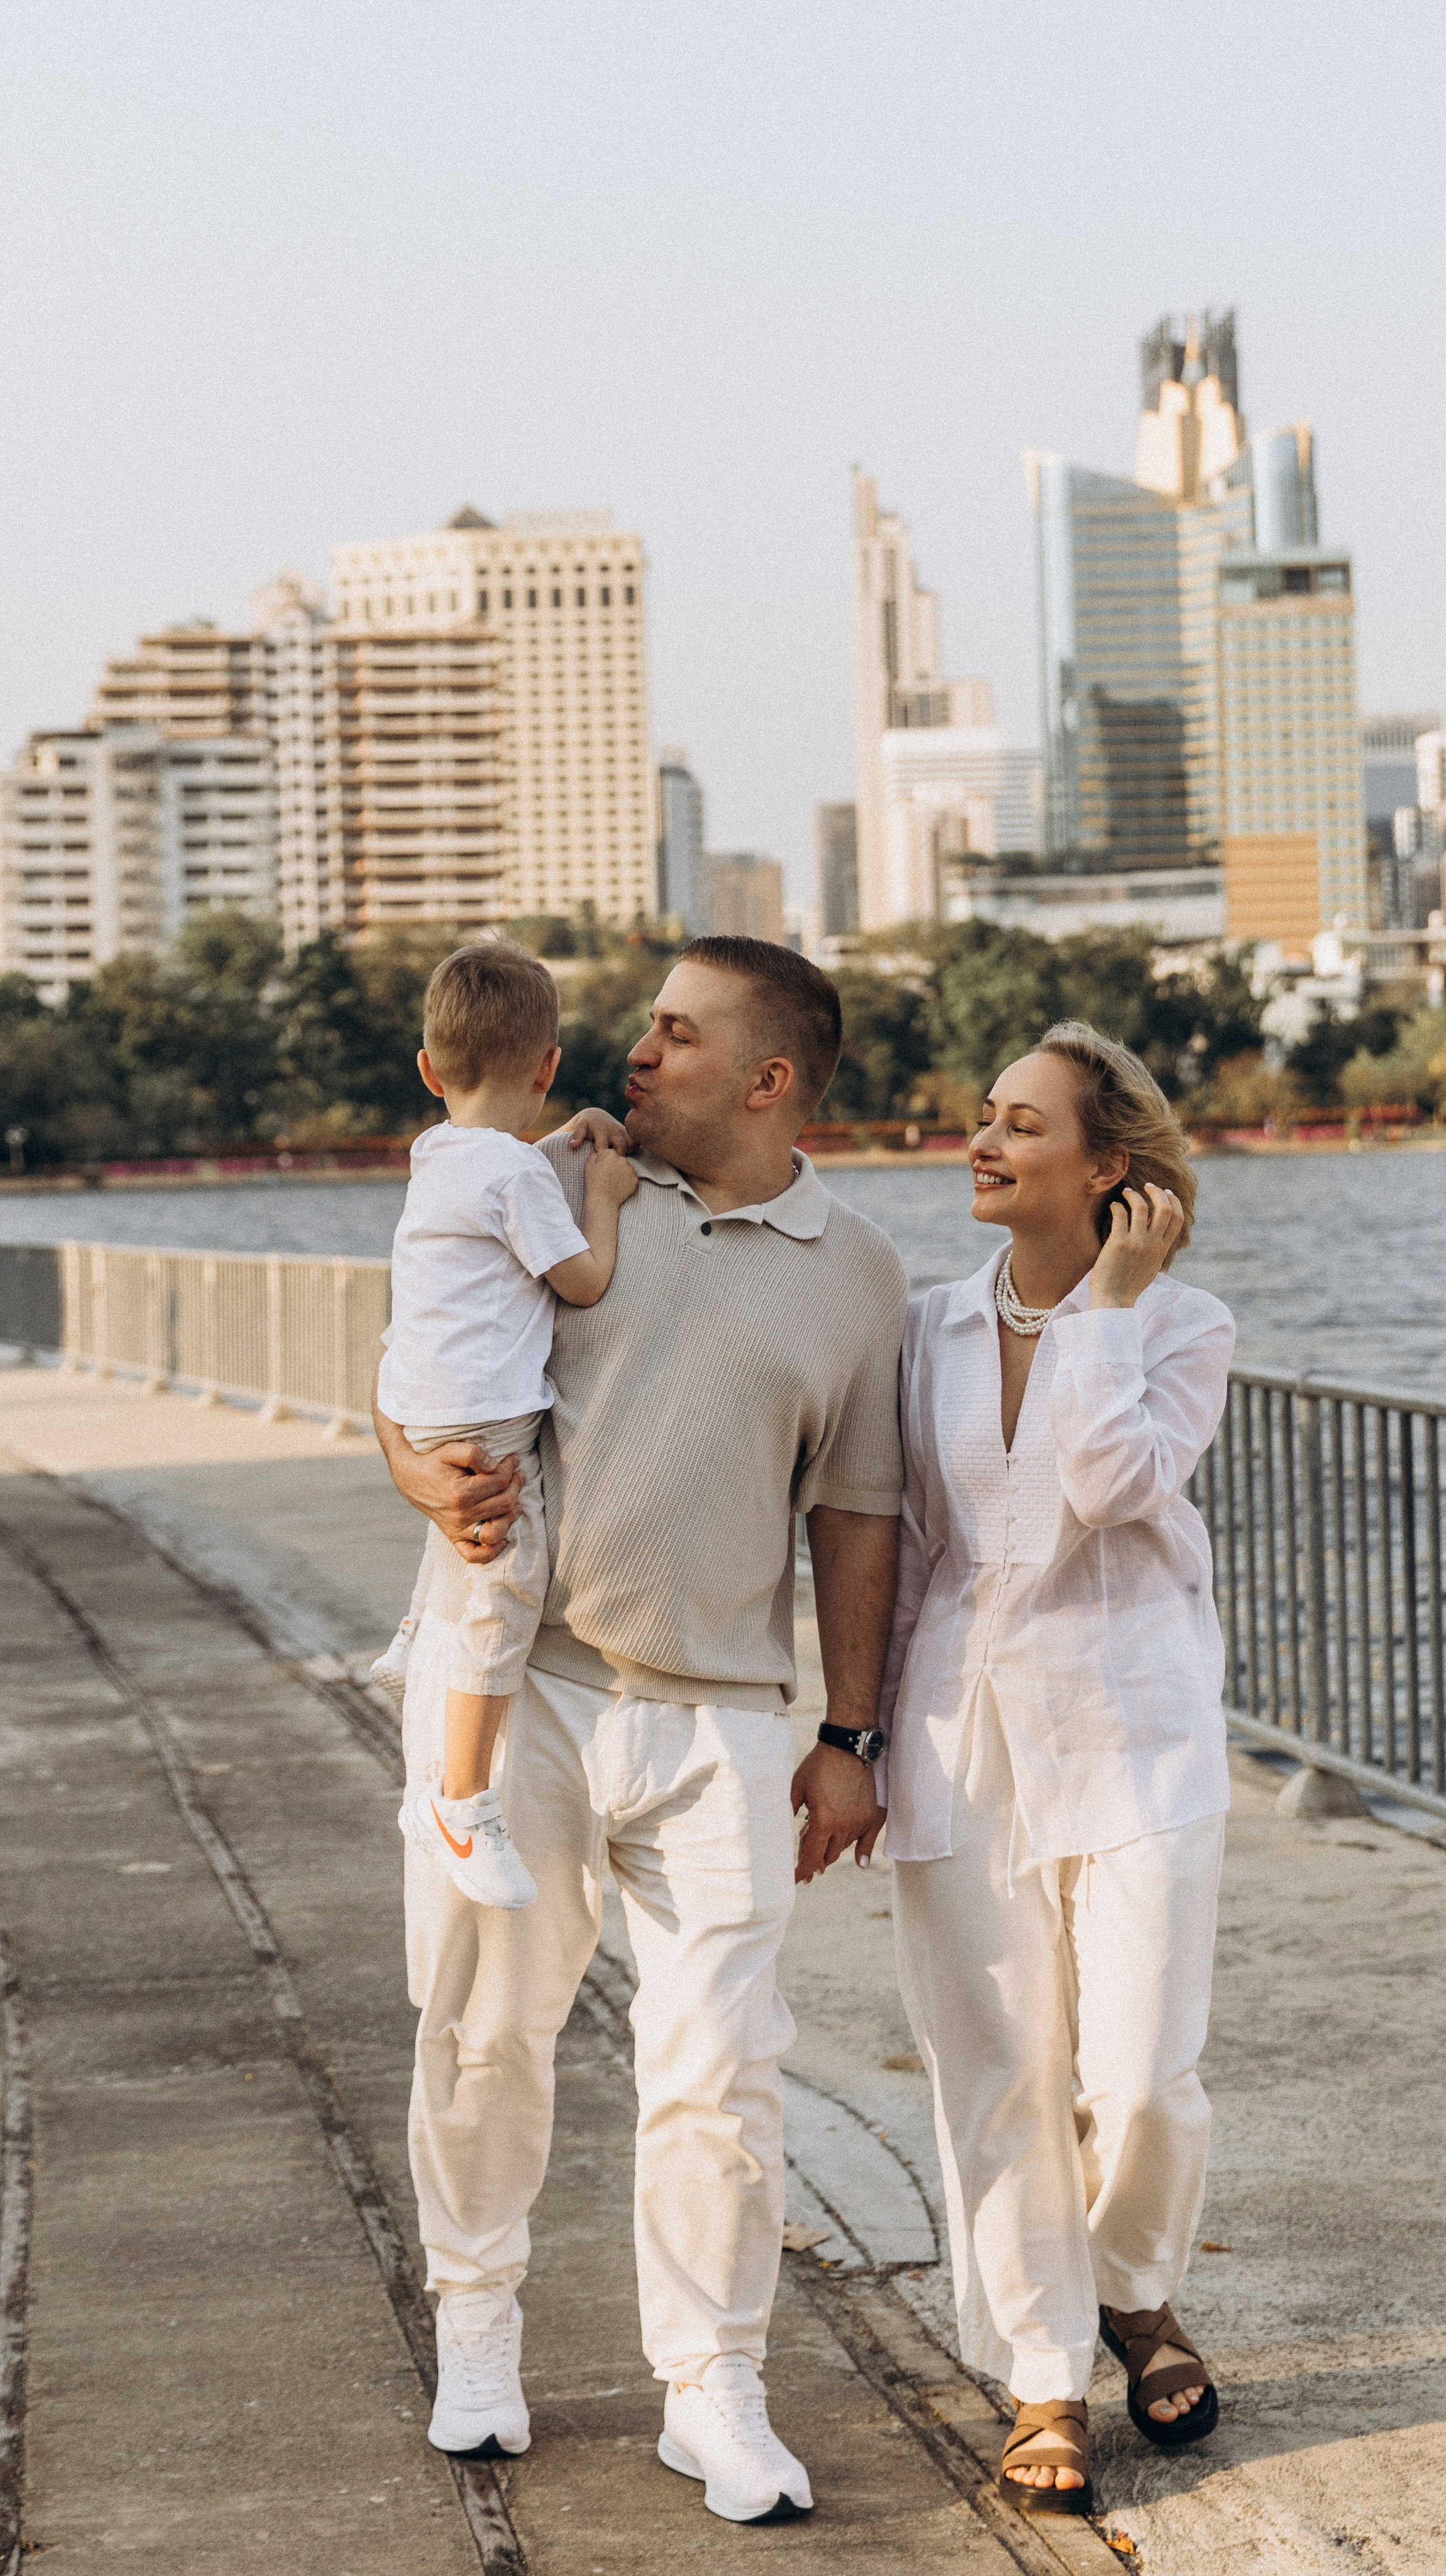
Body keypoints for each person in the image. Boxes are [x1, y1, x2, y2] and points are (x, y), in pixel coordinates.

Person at [373, 935, 905, 2524]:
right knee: (478, 2034)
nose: (634, 1052)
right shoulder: (541, 1172)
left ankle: (712, 2387)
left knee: (719, 2070)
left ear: (770, 1079)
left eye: (674, 1034)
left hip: (722, 1720)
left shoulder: (860, 1273)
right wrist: (412, 1472)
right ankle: (478, 2337)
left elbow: (860, 1519)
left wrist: (852, 1735)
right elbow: (422, 1360)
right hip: (515, 1688)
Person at [879, 1020, 1235, 2517]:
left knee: (1141, 2074)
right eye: (983, 1115)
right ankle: (1044, 2372)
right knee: (1001, 2076)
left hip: (1135, 1733)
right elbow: (903, 1554)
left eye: (1020, 1126)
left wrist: (1106, 1302)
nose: (982, 1141)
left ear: (1108, 1167)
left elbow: (1107, 1486)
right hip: (962, 1739)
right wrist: (853, 1743)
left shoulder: (1179, 1324)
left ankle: (1135, 2287)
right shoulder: (922, 1332)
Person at [371, 944, 639, 1908]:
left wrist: (566, 1136)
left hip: (422, 1392)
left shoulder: (437, 1154)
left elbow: (507, 1165)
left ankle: (414, 1633)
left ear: (430, 1071)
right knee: (509, 1580)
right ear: (550, 1064)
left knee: (461, 1532)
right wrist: (601, 1199)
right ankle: (460, 1798)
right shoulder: (517, 1178)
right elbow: (584, 1280)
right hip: (489, 1405)